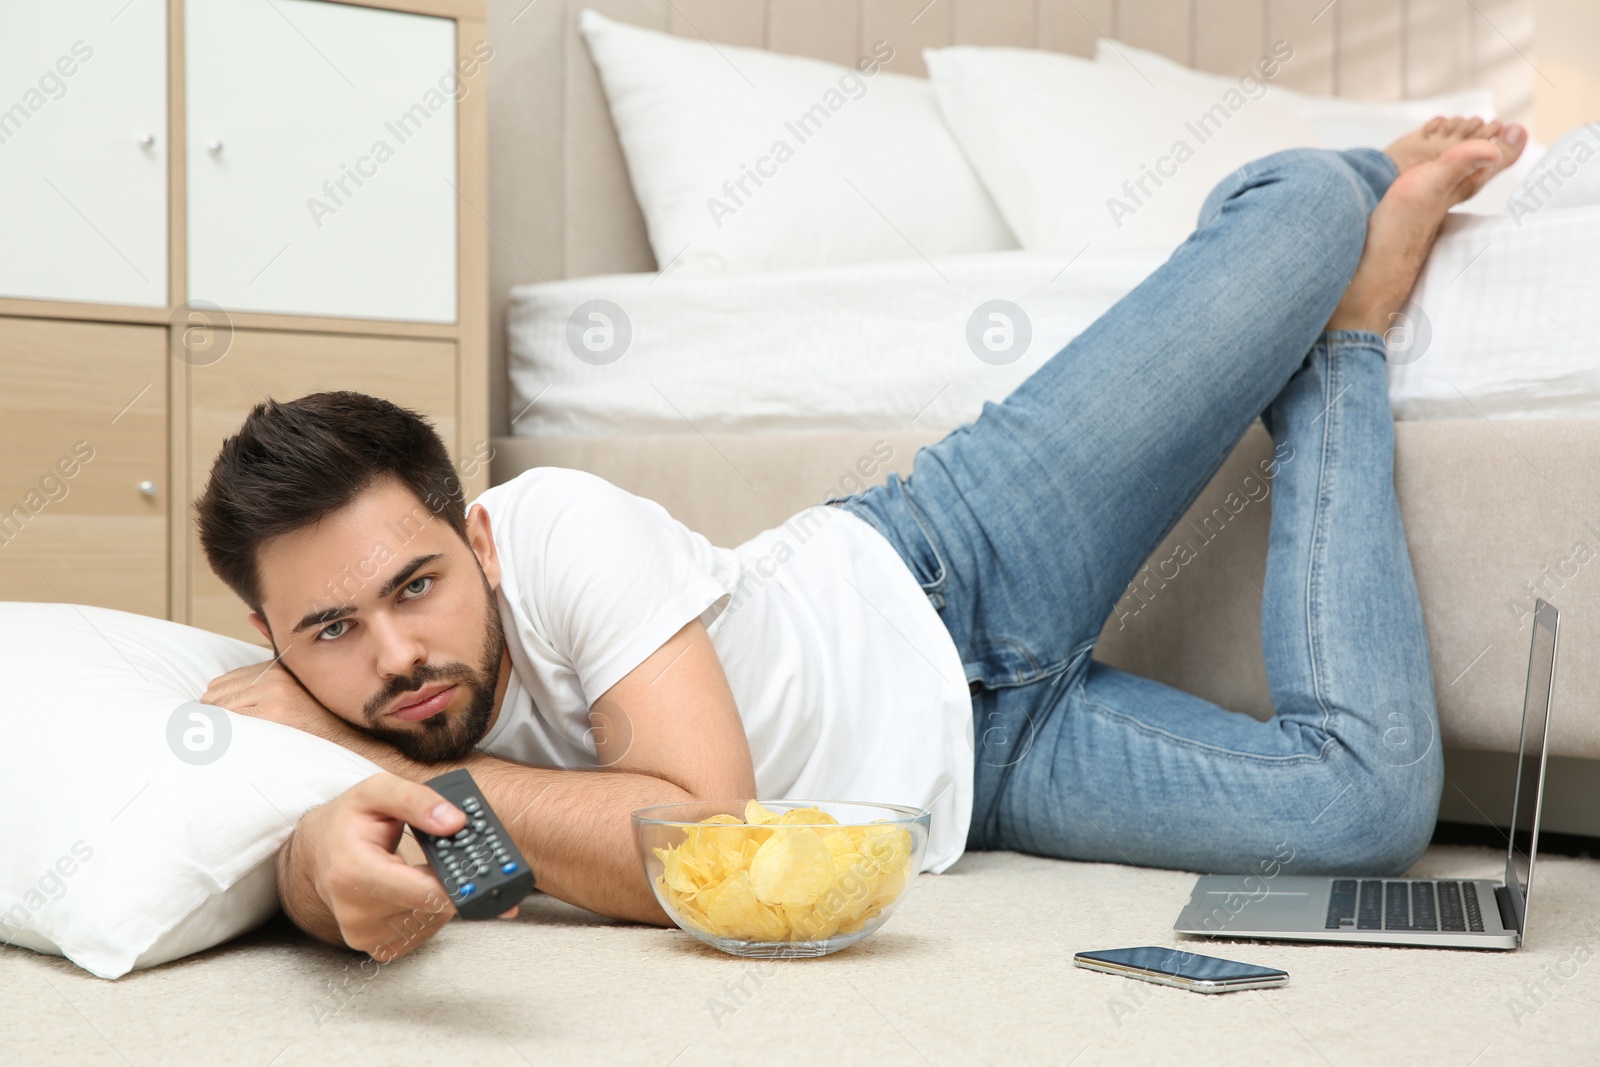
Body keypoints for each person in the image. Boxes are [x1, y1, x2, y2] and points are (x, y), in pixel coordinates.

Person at [197, 118, 1527, 961]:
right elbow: (320, 877)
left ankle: (1350, 230)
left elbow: (697, 835)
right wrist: (322, 865)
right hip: (977, 778)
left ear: (476, 540)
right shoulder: (294, 712)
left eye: (417, 585)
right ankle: (1345, 338)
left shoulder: (557, 524)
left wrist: (411, 774)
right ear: (271, 636)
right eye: (332, 630)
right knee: (1364, 813)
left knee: (1304, 196)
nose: (396, 652)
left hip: (954, 560)